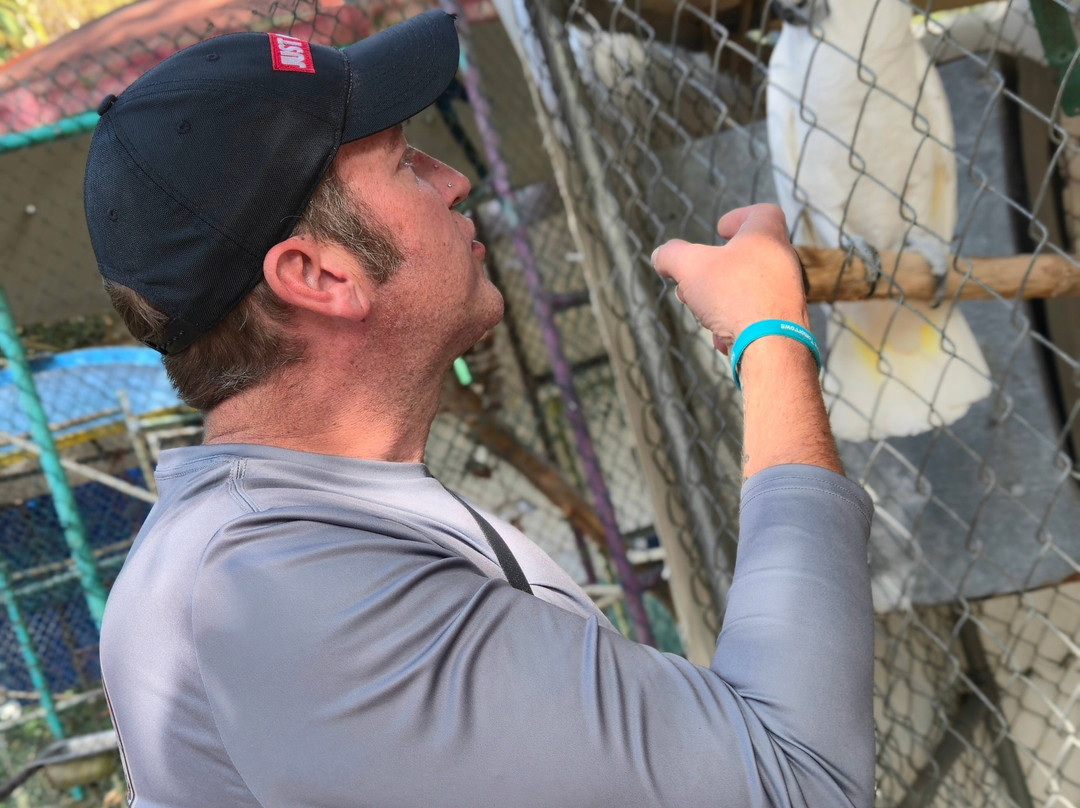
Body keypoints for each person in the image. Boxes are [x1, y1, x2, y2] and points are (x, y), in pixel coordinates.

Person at [85, 10, 875, 808]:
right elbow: (799, 783)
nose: (453, 179)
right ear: (319, 275)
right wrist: (769, 336)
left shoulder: (281, 539)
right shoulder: (281, 593)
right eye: (403, 163)